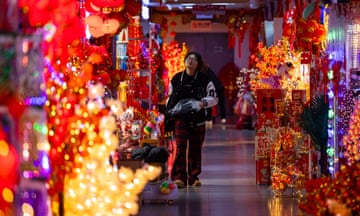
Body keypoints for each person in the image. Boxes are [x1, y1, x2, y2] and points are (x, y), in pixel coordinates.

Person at [166, 51, 218, 188]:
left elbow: (214, 98)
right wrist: (170, 110)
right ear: (184, 61)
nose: (190, 61)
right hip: (180, 119)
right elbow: (169, 97)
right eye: (188, 59)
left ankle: (193, 177)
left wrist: (202, 103)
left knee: (195, 148)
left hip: (198, 119)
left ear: (198, 64)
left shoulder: (205, 80)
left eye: (194, 60)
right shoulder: (177, 78)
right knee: (181, 147)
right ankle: (179, 177)